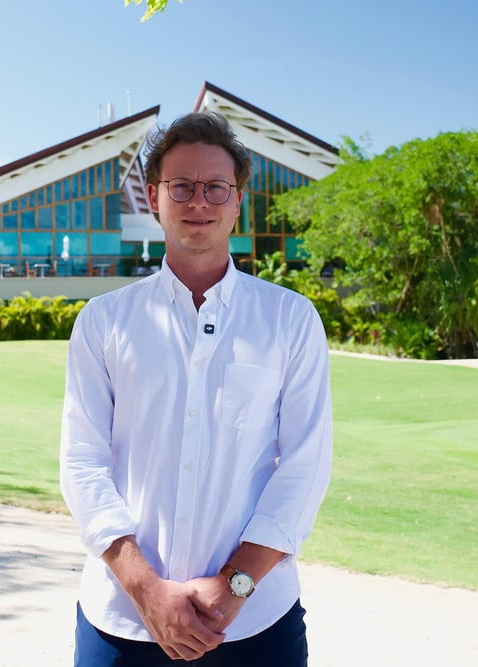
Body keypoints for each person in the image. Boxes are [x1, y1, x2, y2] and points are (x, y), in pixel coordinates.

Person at [60, 111, 333, 665]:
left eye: (216, 187)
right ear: (154, 197)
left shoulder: (290, 319)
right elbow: (82, 463)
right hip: (122, 620)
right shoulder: (103, 321)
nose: (199, 201)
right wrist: (147, 591)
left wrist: (235, 586)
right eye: (181, 186)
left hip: (256, 622)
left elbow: (305, 465)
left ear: (238, 202)